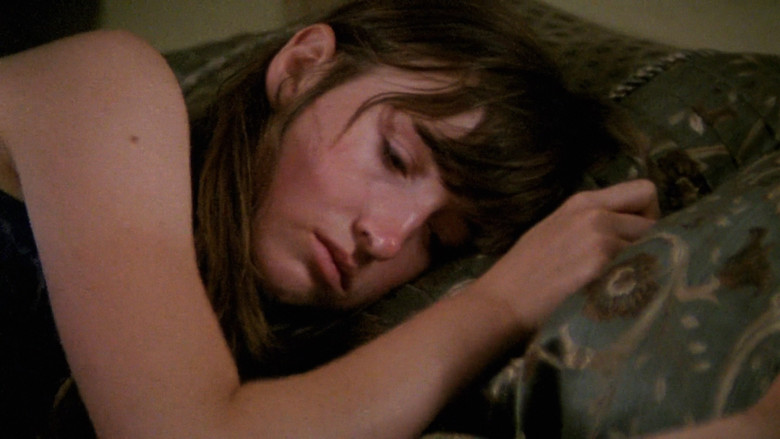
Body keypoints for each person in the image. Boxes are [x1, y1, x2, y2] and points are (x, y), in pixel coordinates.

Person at [0, 0, 774, 437]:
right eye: (398, 157)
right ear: (301, 64)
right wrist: (499, 302)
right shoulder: (110, 86)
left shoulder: (279, 376)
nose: (390, 237)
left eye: (440, 239)